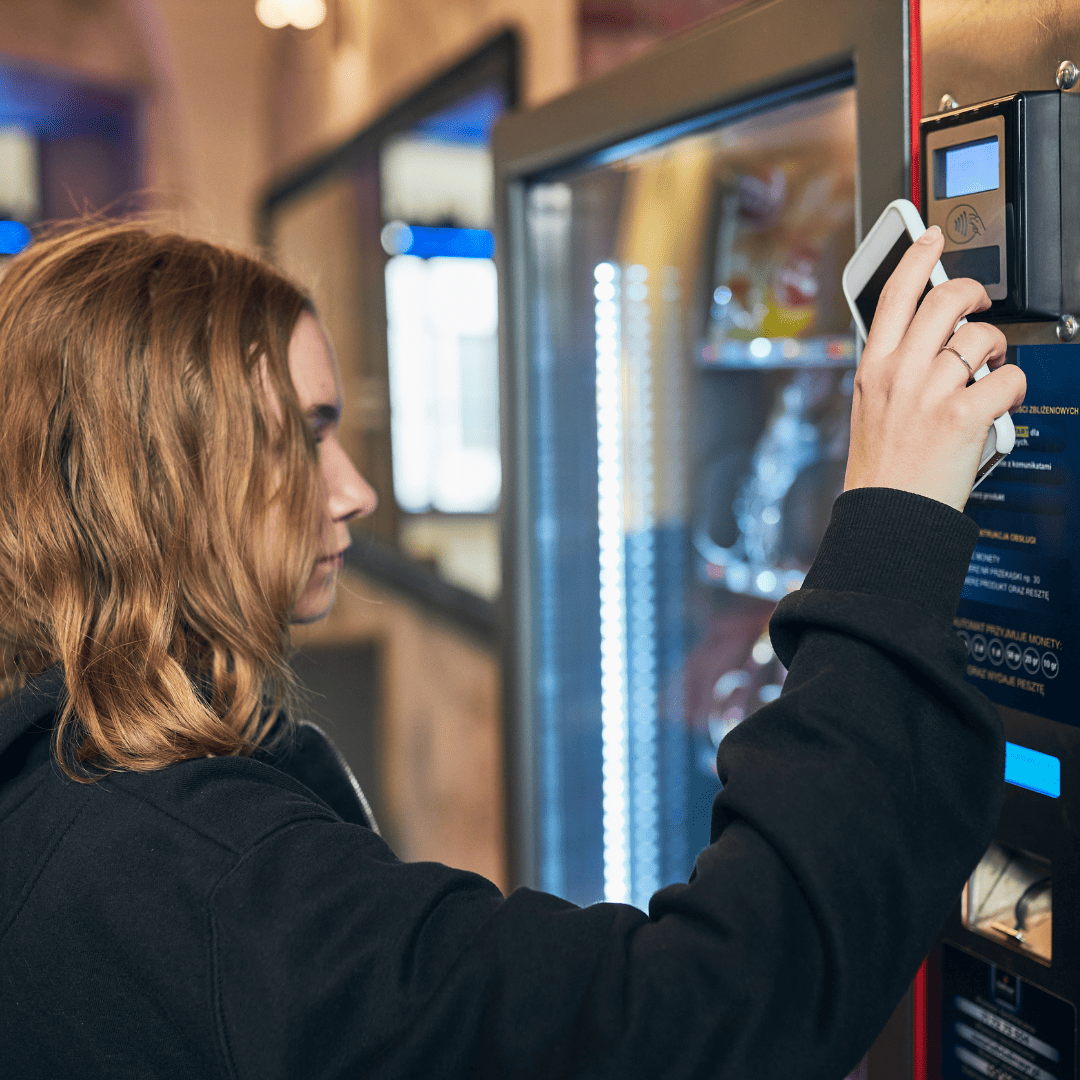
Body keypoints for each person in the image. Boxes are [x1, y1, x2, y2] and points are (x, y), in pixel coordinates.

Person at [0, 219, 1025, 1079]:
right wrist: (894, 526)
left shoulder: (59, 789)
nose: (353, 489)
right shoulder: (197, 880)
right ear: (148, 484)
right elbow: (701, 1015)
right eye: (299, 437)